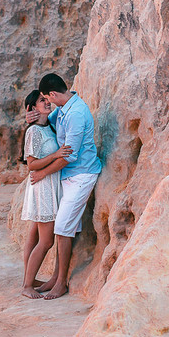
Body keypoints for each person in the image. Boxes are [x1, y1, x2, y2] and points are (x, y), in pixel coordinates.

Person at [26, 73, 102, 300]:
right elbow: (47, 121)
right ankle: (54, 278)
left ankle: (61, 282)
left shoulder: (76, 113)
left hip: (81, 175)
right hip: (66, 178)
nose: (47, 103)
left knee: (61, 229)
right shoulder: (64, 108)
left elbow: (70, 155)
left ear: (53, 94)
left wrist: (41, 173)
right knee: (62, 229)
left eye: (46, 99)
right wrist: (32, 115)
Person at [18, 90, 72, 299]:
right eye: (42, 101)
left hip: (51, 184)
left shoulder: (48, 125)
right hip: (43, 187)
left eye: (46, 99)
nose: (47, 102)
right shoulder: (34, 132)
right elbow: (31, 164)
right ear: (33, 108)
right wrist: (57, 154)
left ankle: (28, 280)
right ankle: (27, 286)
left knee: (34, 233)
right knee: (47, 240)